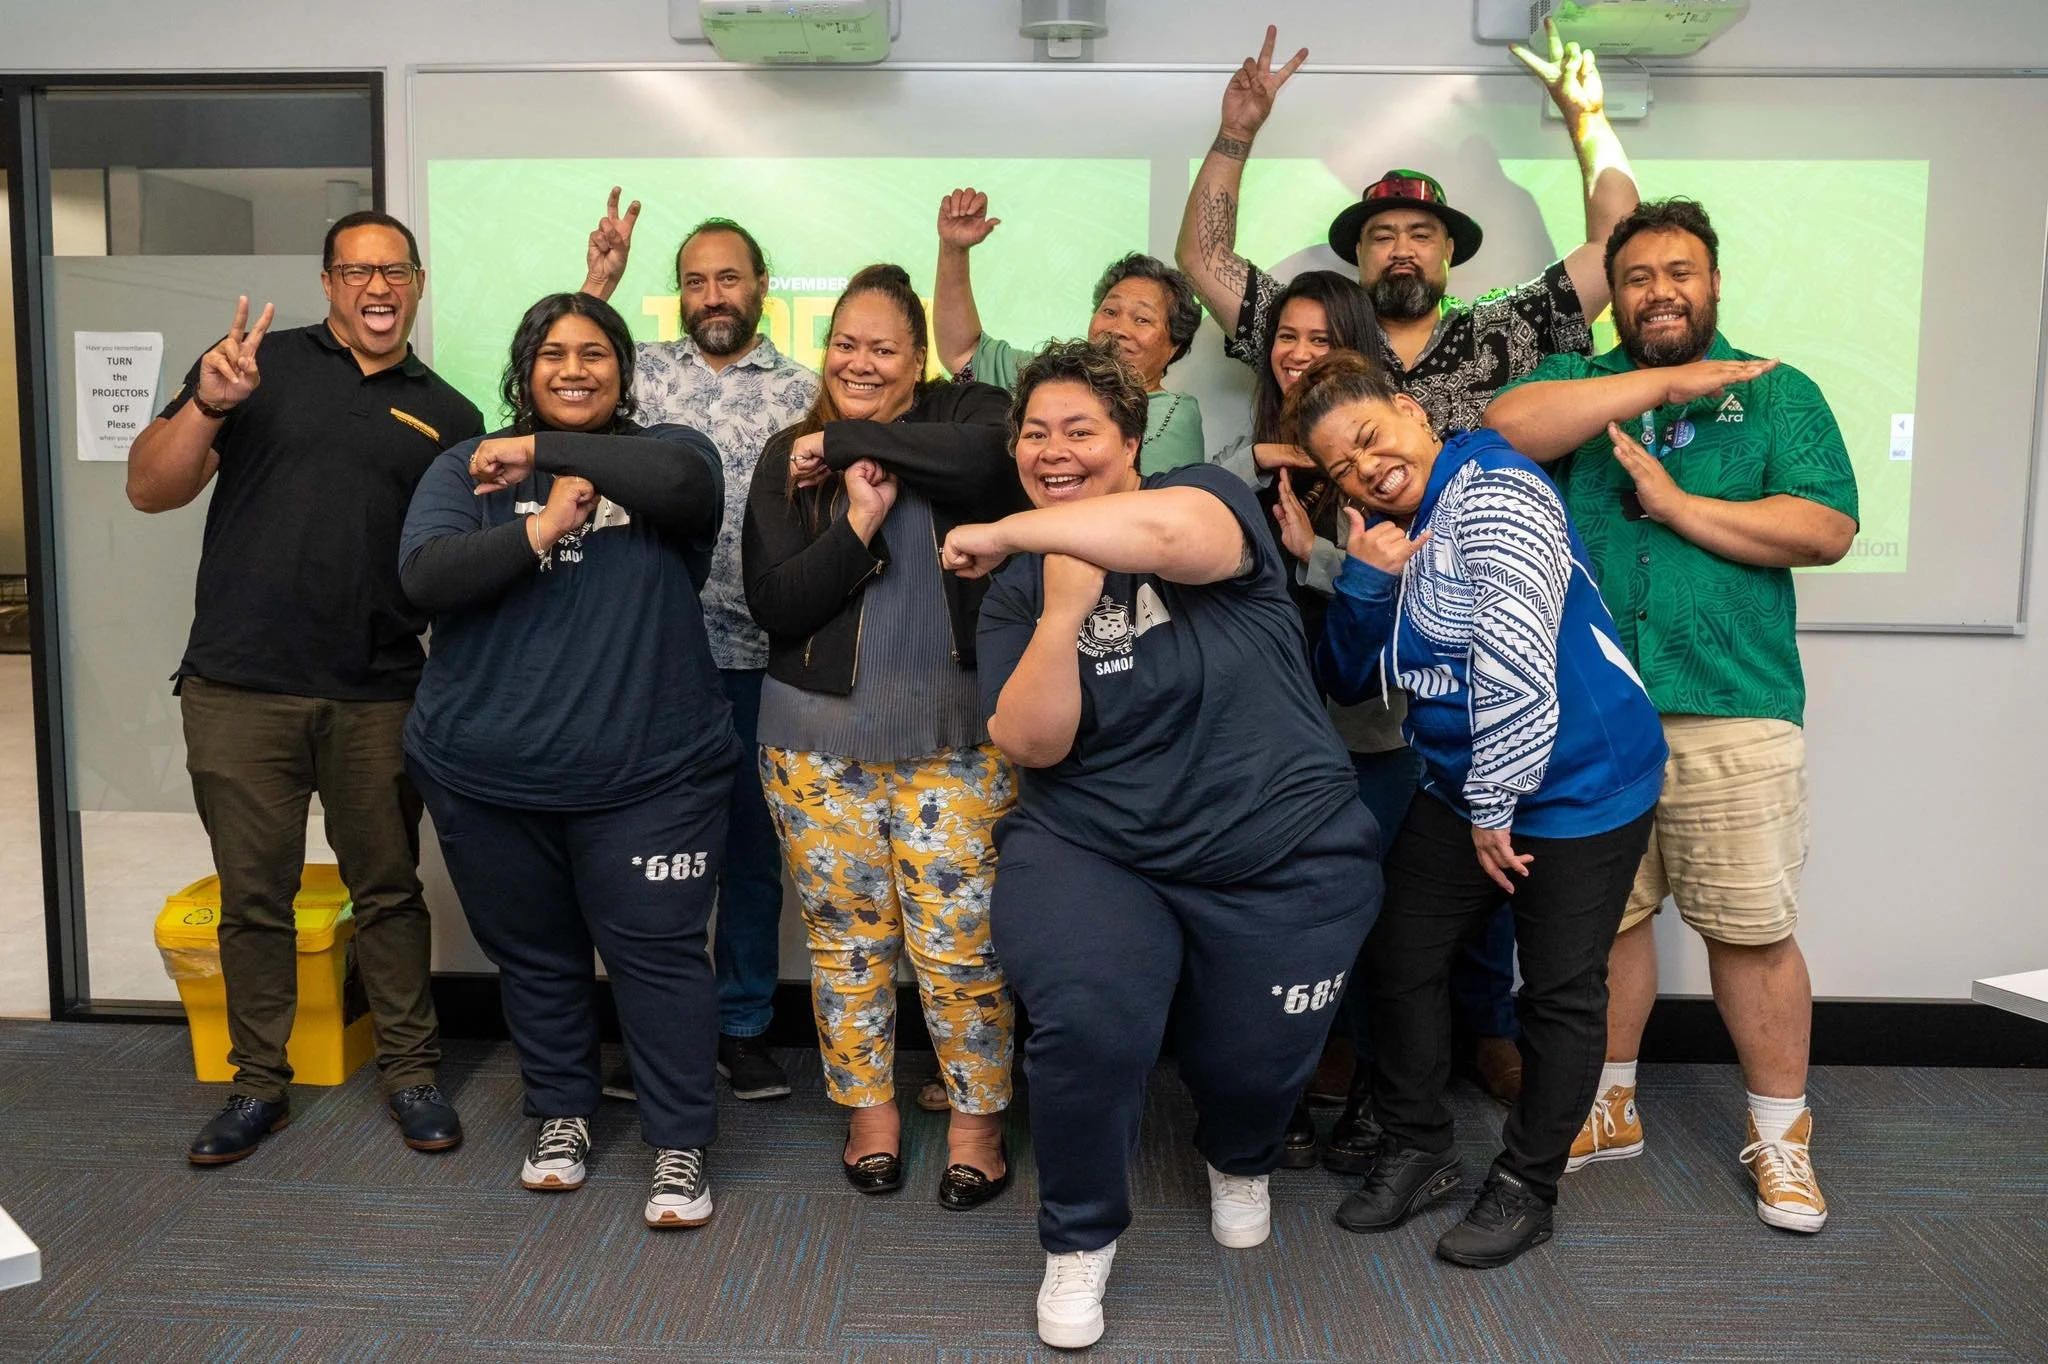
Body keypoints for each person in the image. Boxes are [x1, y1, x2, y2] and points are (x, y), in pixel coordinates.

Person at [1177, 21, 1643, 1103]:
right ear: (1358, 256)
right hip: (1345, 625)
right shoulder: (1317, 337)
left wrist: (1587, 122)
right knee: (1365, 859)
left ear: (1447, 253)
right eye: (1381, 233)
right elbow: (1205, 261)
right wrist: (1236, 132)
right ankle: (1352, 1044)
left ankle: (1485, 1029)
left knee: (1481, 843)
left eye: (1419, 234)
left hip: (1491, 634)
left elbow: (1617, 246)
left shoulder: (1498, 331)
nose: (1399, 248)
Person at [944, 339, 1381, 1350]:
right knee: (1088, 1028)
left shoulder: (1201, 496)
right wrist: (1060, 612)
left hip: (1282, 841)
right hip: (1099, 846)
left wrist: (1008, 529)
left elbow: (1168, 534)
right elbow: (1031, 742)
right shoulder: (1018, 589)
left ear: (1132, 443)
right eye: (1034, 435)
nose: (1053, 450)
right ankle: (1079, 1236)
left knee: (1258, 1057)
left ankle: (1240, 1151)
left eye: (1079, 430)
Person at [1484, 198, 1858, 1233]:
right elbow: (1506, 427)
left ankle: (1780, 1137)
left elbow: (1824, 527)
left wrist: (1678, 506)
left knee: (1750, 931)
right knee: (1605, 922)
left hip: (1729, 707)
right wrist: (1655, 385)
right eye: (1638, 275)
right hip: (1590, 719)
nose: (1659, 291)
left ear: (1714, 282)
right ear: (1616, 293)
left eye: (1679, 272)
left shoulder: (1778, 391)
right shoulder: (1578, 381)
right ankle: (1608, 1105)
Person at [1295, 350, 1667, 1269]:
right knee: (1400, 951)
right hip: (1468, 786)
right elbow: (1348, 680)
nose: (1366, 468)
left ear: (1414, 411)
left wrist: (1496, 803)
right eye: (1342, 465)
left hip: (1580, 784)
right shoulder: (1397, 529)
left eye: (1371, 437)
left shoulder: (1496, 492)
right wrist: (1366, 580)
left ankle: (1527, 1185)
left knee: (1559, 989)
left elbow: (1516, 663)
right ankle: (1420, 1145)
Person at [128, 210, 481, 1166]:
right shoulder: (252, 367)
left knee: (389, 892)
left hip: (380, 692)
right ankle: (257, 1085)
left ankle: (411, 1074)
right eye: (357, 271)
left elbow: (456, 562)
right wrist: (207, 405)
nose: (378, 286)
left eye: (395, 270)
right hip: (240, 687)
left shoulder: (451, 415)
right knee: (255, 898)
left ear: (418, 282)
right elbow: (150, 489)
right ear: (327, 283)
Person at [400, 292, 735, 1228]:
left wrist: (544, 451)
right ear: (525, 368)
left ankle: (679, 1141)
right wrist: (539, 525)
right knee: (538, 958)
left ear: (624, 371)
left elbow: (685, 489)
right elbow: (426, 577)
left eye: (595, 353)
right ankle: (561, 1115)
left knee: (659, 960)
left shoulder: (671, 455)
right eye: (552, 353)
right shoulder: (466, 467)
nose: (574, 369)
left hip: (652, 778)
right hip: (487, 777)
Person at [742, 264, 1026, 1207]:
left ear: (918, 361)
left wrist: (848, 440)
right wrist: (857, 521)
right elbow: (778, 604)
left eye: (883, 349)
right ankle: (871, 1114)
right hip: (813, 748)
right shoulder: (789, 456)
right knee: (847, 945)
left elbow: (989, 464)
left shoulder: (964, 419)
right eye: (844, 345)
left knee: (961, 949)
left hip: (957, 742)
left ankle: (977, 1123)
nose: (859, 362)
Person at [580, 189, 817, 1102]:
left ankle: (743, 1027)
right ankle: (654, 1029)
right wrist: (598, 282)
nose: (712, 295)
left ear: (761, 285)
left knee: (751, 854)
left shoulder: (806, 392)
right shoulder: (635, 374)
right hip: (650, 658)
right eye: (694, 281)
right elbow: (557, 381)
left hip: (765, 661)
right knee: (644, 858)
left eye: (728, 278)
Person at [1209, 269, 1419, 1172]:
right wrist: (1270, 455)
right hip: (1268, 739)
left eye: (1320, 339)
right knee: (1276, 918)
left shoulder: (1388, 460)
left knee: (1374, 917)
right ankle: (1282, 1088)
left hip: (1372, 737)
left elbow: (1419, 592)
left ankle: (1372, 1092)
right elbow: (1178, 495)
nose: (1298, 354)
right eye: (1286, 337)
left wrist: (1319, 555)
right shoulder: (1252, 459)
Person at [935, 188, 1205, 473]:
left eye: (1142, 320)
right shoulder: (1044, 377)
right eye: (1110, 312)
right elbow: (962, 352)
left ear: (1175, 344)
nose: (1118, 329)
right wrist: (953, 249)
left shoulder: (1174, 414)